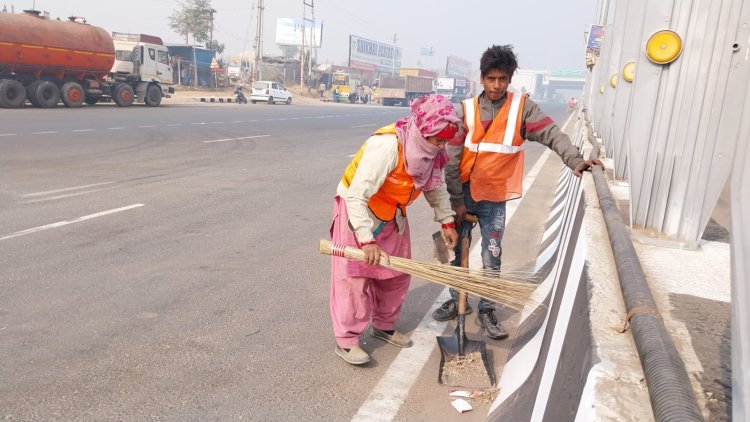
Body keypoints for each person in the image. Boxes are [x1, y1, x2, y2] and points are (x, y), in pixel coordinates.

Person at [435, 44, 603, 339]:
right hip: (464, 193)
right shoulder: (466, 110)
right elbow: (451, 159)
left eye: (502, 79)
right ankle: (456, 298)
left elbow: (551, 133)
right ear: (482, 78)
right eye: (491, 79)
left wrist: (575, 160)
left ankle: (487, 309)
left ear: (510, 78)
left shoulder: (522, 108)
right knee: (455, 249)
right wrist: (456, 201)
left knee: (492, 256)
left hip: (494, 198)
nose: (496, 86)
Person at [329, 94, 461, 365]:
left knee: (396, 273)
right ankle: (347, 341)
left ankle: (384, 325)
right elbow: (356, 196)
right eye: (437, 140)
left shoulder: (430, 152)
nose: (440, 146)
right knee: (354, 278)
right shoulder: (388, 146)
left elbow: (435, 186)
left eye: (445, 141)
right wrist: (366, 241)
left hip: (392, 212)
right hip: (359, 211)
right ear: (424, 130)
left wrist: (446, 221)